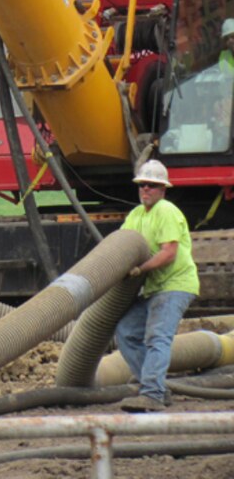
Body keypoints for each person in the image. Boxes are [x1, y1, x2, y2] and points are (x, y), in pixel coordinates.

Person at [116, 159, 200, 413]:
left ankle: (151, 393)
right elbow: (120, 246)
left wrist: (140, 269)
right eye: (142, 185)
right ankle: (155, 386)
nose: (145, 190)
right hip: (154, 288)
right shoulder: (136, 215)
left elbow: (169, 253)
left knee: (157, 336)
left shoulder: (166, 211)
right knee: (126, 331)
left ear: (163, 189)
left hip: (175, 284)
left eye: (152, 186)